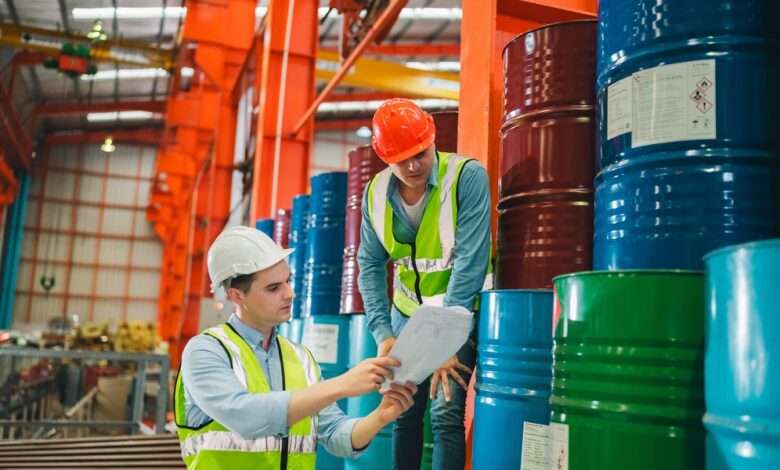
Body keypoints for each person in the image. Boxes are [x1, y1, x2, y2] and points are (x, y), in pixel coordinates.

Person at [175, 226, 418, 469]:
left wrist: (380, 417)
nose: (289, 293)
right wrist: (342, 385)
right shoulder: (206, 351)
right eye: (273, 288)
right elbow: (245, 416)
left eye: (288, 281)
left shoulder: (301, 358)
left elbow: (335, 435)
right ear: (237, 296)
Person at [358, 98, 492, 470]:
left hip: (457, 310)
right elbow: (368, 264)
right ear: (385, 157)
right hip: (405, 315)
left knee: (445, 416)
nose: (414, 165)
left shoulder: (466, 177)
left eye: (420, 153)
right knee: (402, 411)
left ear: (432, 138)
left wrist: (445, 337)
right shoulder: (375, 194)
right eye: (402, 159)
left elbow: (471, 259)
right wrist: (382, 332)